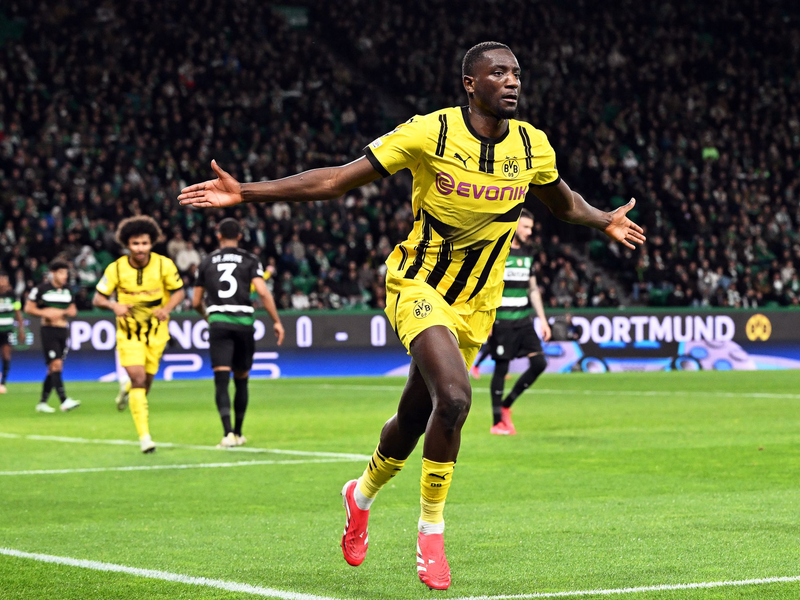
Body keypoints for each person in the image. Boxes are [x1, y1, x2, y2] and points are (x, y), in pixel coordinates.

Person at [178, 41, 645, 590]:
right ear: (471, 84)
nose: (512, 81)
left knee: (414, 420)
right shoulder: (431, 132)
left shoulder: (532, 145)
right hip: (417, 284)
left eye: (517, 73)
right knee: (455, 398)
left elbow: (563, 204)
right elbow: (337, 180)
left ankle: (360, 493)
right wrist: (248, 193)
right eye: (498, 73)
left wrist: (603, 221)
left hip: (478, 305)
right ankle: (431, 531)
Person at [92, 216, 185, 453]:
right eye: (135, 244)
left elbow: (179, 292)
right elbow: (98, 298)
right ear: (126, 244)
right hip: (129, 334)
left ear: (151, 243)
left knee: (145, 386)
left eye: (144, 243)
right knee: (138, 380)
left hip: (156, 333)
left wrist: (167, 308)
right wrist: (114, 306)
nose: (140, 248)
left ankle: (126, 392)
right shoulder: (116, 268)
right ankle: (145, 437)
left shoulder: (164, 265)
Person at [192, 218, 285, 448]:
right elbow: (263, 292)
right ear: (240, 236)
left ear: (218, 235)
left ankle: (227, 435)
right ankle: (239, 432)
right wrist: (276, 321)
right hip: (244, 323)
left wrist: (208, 316)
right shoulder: (250, 259)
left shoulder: (206, 261)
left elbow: (195, 301)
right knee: (241, 380)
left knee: (221, 381)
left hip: (219, 325)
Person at [488, 208, 551, 435]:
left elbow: (533, 289)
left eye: (531, 228)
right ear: (514, 226)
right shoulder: (498, 252)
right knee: (501, 368)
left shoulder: (527, 254)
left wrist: (543, 320)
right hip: (501, 322)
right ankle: (497, 422)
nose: (529, 232)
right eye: (525, 227)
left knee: (539, 363)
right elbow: (486, 286)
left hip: (524, 320)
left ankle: (506, 406)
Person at [24, 260, 80, 413]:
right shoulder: (42, 289)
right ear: (53, 273)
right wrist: (44, 313)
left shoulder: (68, 290)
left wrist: (62, 312)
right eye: (61, 273)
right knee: (56, 365)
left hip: (63, 330)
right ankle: (64, 400)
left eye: (66, 274)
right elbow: (28, 307)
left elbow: (73, 310)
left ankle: (42, 402)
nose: (64, 277)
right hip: (49, 330)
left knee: (53, 368)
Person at [0, 272, 25, 393]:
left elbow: (18, 312)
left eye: (5, 280)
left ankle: (3, 382)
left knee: (6, 355)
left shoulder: (12, 295)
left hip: (7, 330)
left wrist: (21, 329)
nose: (3, 282)